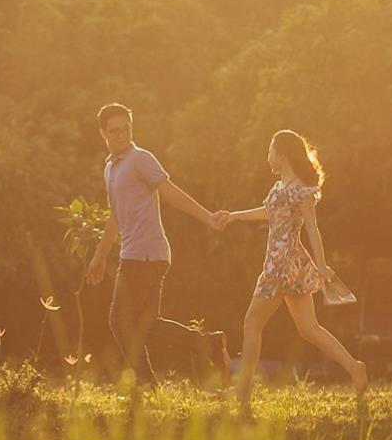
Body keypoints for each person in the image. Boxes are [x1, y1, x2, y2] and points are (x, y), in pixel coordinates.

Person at [217, 129, 368, 416]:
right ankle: (354, 368)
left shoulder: (301, 190)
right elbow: (269, 213)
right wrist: (235, 216)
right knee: (308, 329)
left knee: (252, 324)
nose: (268, 156)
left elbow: (312, 227)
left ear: (282, 154)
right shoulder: (280, 187)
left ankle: (243, 395)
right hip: (288, 262)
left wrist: (322, 265)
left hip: (281, 263)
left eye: (271, 150)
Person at [85, 102, 224, 385]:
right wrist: (99, 257)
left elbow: (171, 194)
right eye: (114, 131)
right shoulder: (111, 168)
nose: (121, 135)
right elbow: (115, 216)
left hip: (146, 254)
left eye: (126, 129)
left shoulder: (141, 159)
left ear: (131, 129)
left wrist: (208, 217)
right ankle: (208, 345)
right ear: (103, 133)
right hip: (137, 253)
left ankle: (147, 383)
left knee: (119, 321)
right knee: (146, 325)